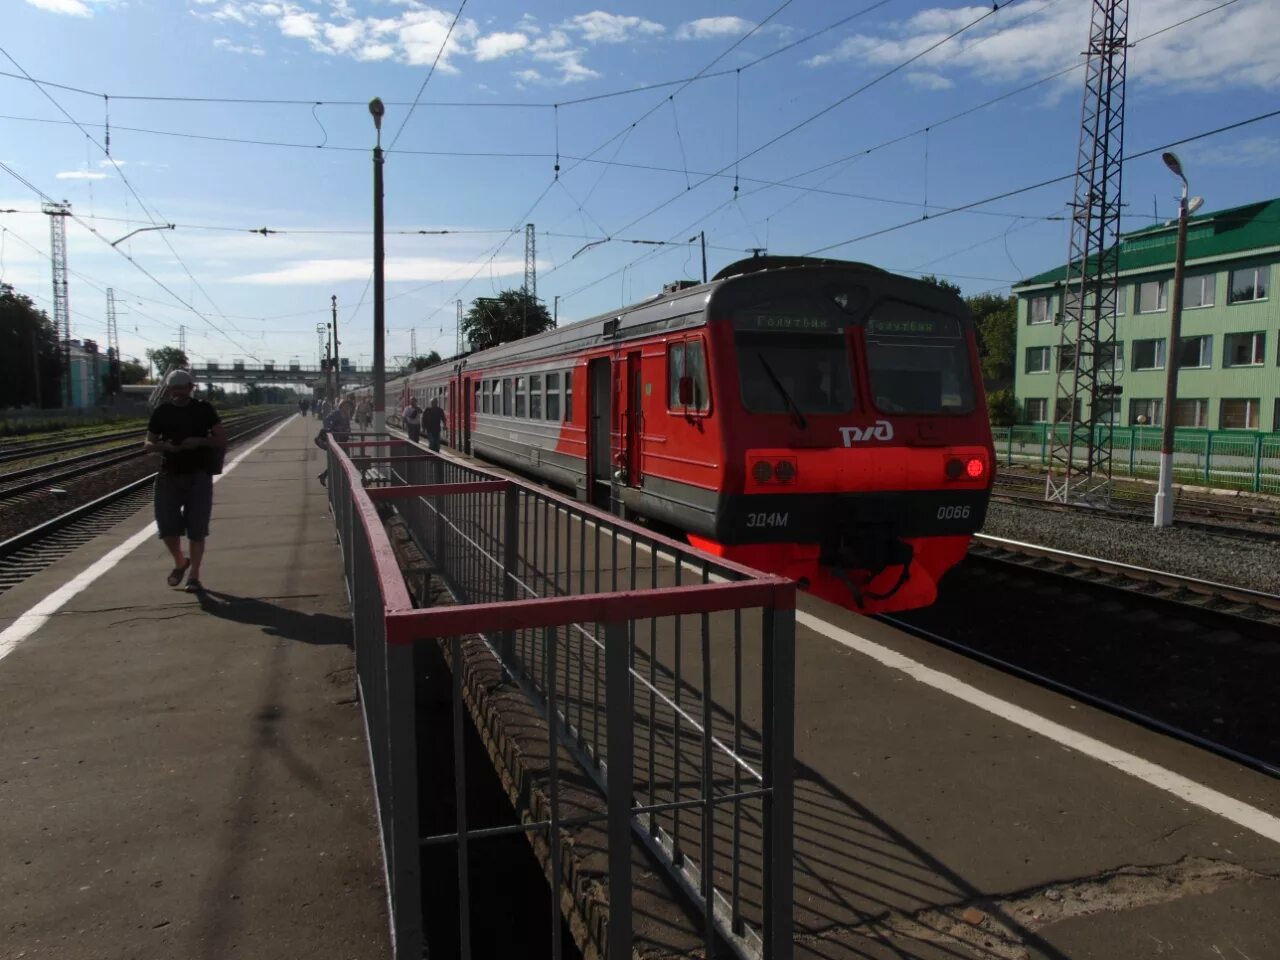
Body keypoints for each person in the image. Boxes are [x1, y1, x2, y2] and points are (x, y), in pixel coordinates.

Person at [144, 369, 226, 593]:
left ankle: (194, 576)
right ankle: (180, 561)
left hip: (199, 475)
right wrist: (164, 446)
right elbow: (148, 443)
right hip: (169, 474)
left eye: (182, 388)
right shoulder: (162, 412)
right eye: (174, 388)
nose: (178, 392)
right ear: (168, 390)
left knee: (197, 529)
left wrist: (198, 441)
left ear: (191, 388)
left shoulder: (204, 409)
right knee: (167, 528)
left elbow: (220, 437)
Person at [317, 398, 354, 487]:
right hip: (337, 439)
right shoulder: (336, 413)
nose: (347, 407)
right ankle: (331, 478)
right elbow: (326, 420)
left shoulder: (346, 414)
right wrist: (332, 430)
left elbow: (347, 425)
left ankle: (325, 475)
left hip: (343, 439)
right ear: (341, 405)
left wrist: (348, 430)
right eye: (345, 405)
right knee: (339, 461)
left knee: (341, 461)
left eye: (348, 405)